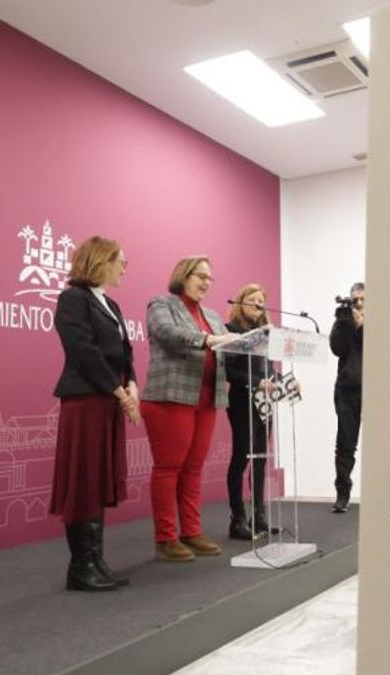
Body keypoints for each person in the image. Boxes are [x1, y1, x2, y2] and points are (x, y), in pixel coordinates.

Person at [50, 236, 139, 592]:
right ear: (101, 261)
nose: (125, 267)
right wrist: (118, 391)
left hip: (109, 399)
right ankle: (80, 566)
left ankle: (96, 560)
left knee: (99, 477)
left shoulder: (111, 303)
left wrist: (131, 382)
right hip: (87, 400)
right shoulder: (72, 298)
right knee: (83, 479)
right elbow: (82, 350)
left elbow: (124, 350)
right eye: (121, 260)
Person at [140, 256, 235, 562]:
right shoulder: (161, 305)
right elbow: (169, 335)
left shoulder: (213, 315)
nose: (206, 282)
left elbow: (224, 348)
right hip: (170, 397)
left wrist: (241, 344)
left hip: (207, 400)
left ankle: (191, 532)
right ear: (183, 274)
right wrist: (209, 339)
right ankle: (165, 538)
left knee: (194, 468)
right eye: (201, 275)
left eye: (210, 278)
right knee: (169, 468)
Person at [225, 283, 273, 539]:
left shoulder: (265, 334)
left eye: (261, 300)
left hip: (265, 402)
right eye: (253, 299)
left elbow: (269, 368)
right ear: (241, 303)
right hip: (243, 400)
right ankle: (238, 518)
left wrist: (281, 382)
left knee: (261, 458)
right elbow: (228, 371)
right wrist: (256, 383)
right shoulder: (232, 332)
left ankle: (260, 516)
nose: (258, 303)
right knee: (242, 457)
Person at [329, 282, 364, 513]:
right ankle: (343, 494)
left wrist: (363, 327)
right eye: (355, 299)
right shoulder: (343, 322)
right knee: (345, 445)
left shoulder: (383, 320)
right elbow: (337, 349)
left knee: (385, 444)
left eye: (362, 299)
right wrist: (347, 325)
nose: (359, 304)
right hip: (347, 390)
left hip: (378, 389)